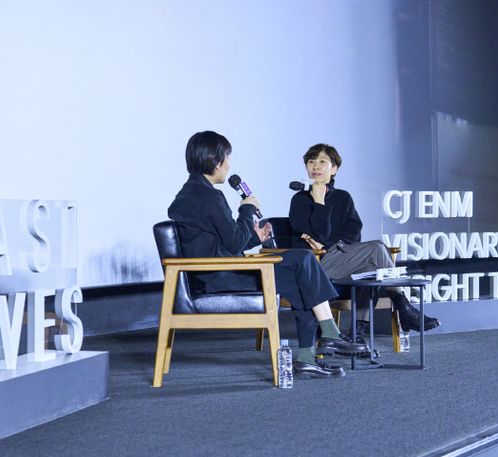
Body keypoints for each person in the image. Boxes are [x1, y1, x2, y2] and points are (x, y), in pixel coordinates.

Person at [167, 131, 365, 378]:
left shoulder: (194, 192)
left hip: (219, 269)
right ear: (215, 160)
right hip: (219, 276)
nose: (229, 165)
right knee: (303, 260)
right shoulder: (208, 196)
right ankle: (329, 335)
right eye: (227, 158)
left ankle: (309, 356)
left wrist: (255, 237)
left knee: (302, 280)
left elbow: (226, 242)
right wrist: (247, 209)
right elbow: (233, 243)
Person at [288, 143, 440, 347]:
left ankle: (357, 333)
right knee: (377, 249)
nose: (315, 166)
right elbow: (315, 235)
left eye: (322, 161)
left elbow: (353, 233)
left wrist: (331, 243)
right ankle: (403, 307)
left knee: (372, 270)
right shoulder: (299, 200)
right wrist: (319, 202)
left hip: (341, 257)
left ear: (334, 169)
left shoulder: (343, 198)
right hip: (315, 265)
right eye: (311, 161)